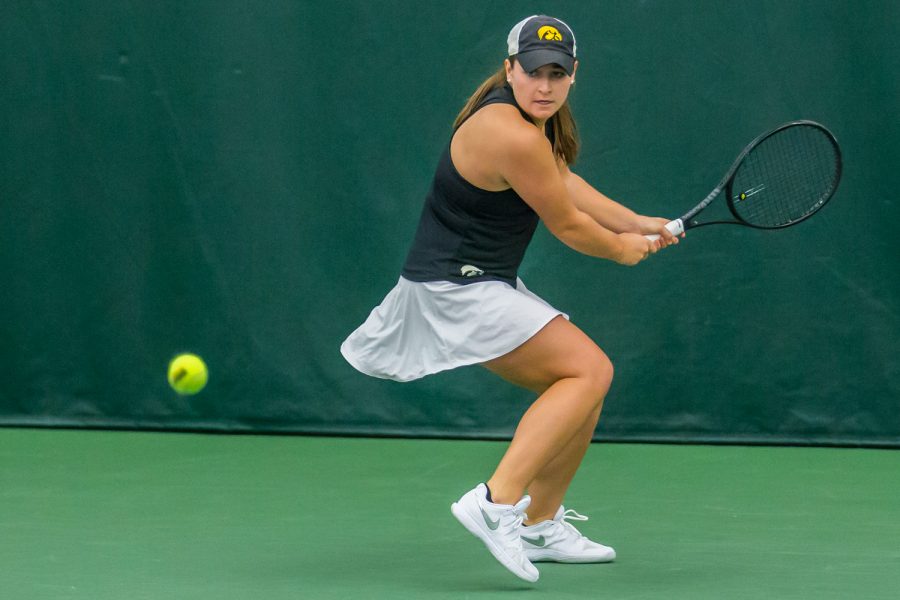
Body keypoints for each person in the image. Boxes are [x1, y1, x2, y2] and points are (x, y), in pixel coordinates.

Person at [341, 15, 679, 582]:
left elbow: (563, 181)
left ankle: (541, 524)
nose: (544, 85)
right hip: (455, 288)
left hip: (475, 282)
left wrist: (639, 221)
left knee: (582, 385)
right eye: (532, 72)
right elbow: (568, 224)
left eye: (557, 73)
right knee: (589, 371)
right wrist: (623, 249)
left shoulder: (528, 122)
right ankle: (496, 502)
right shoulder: (511, 133)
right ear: (509, 69)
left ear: (573, 77)